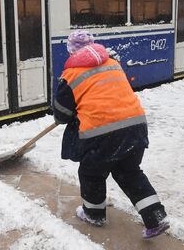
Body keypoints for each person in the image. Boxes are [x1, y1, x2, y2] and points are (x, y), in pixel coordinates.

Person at [53, 30, 169, 239]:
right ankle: (156, 216)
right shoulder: (113, 64)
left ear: (71, 51)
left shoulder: (70, 75)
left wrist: (71, 110)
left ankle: (94, 215)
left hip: (102, 133)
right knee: (129, 172)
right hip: (135, 125)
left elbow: (61, 115)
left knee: (92, 173)